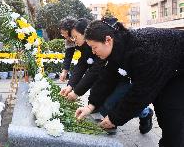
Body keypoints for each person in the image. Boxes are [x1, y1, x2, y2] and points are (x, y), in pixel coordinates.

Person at [75, 18, 184, 146]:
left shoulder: (141, 51)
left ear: (108, 40)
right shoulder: (118, 47)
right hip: (163, 69)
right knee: (163, 113)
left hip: (178, 70)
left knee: (171, 115)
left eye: (94, 47)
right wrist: (90, 106)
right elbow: (107, 78)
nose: (93, 52)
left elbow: (141, 93)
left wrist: (115, 118)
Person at [59, 17, 77, 82]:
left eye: (64, 33)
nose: (64, 36)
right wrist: (64, 71)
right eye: (62, 33)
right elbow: (68, 56)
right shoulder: (69, 40)